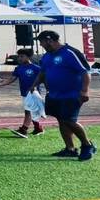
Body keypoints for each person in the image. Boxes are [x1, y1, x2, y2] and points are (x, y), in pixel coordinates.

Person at [31, 30, 95, 160]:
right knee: (61, 120)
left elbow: (85, 72)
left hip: (72, 94)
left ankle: (87, 145)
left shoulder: (70, 52)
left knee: (69, 120)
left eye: (42, 42)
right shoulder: (46, 56)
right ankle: (70, 148)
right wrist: (34, 85)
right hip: (54, 95)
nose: (41, 45)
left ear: (49, 40)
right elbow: (43, 73)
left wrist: (85, 90)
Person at [0, 47, 44, 138]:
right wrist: (1, 84)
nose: (20, 58)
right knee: (31, 111)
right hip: (24, 93)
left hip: (33, 93)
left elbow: (43, 79)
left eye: (22, 56)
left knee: (28, 111)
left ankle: (23, 130)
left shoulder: (36, 68)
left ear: (29, 57)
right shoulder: (18, 68)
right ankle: (38, 128)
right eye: (19, 56)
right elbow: (11, 79)